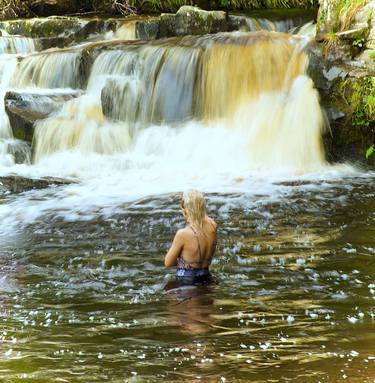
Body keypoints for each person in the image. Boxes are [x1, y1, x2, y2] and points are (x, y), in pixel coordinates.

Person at [164, 190, 217, 285]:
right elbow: (204, 217)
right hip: (206, 275)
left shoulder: (183, 234)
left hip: (187, 279)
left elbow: (168, 263)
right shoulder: (212, 225)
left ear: (185, 209)